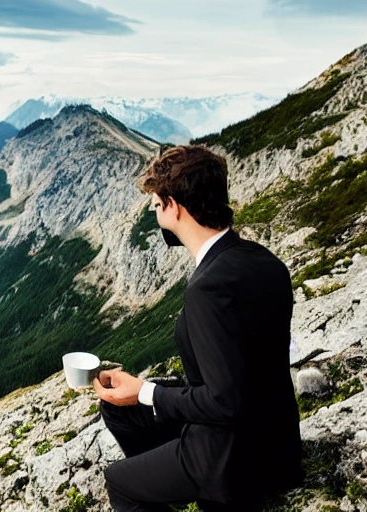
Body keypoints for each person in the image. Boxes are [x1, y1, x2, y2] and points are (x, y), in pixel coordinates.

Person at [93, 145, 302, 512]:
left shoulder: (208, 287)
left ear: (173, 206)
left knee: (119, 482)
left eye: (157, 205)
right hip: (276, 440)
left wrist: (146, 391)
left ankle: (192, 484)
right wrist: (144, 395)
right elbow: (242, 373)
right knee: (120, 409)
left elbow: (224, 402)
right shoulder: (263, 260)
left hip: (233, 458)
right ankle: (169, 478)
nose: (156, 213)